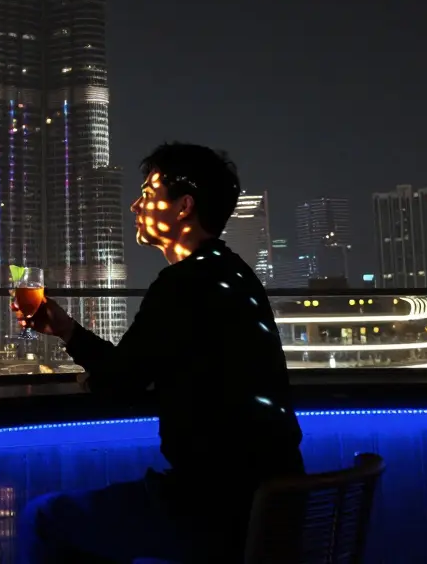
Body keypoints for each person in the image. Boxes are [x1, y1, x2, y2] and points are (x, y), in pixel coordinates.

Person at [16, 142, 303, 563]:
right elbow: (151, 367)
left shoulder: (183, 284)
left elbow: (120, 380)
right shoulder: (235, 274)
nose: (135, 205)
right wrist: (66, 329)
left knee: (43, 518)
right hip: (276, 509)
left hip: (211, 510)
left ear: (184, 206)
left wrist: (76, 344)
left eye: (148, 195)